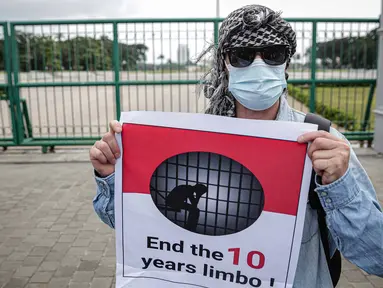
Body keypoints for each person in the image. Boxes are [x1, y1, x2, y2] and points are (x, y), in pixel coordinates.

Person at [89, 4, 383, 287]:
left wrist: (340, 185)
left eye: (272, 54)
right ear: (225, 64)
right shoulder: (192, 141)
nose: (259, 64)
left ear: (287, 63)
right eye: (242, 55)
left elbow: (377, 256)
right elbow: (142, 227)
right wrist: (111, 176)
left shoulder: (326, 146)